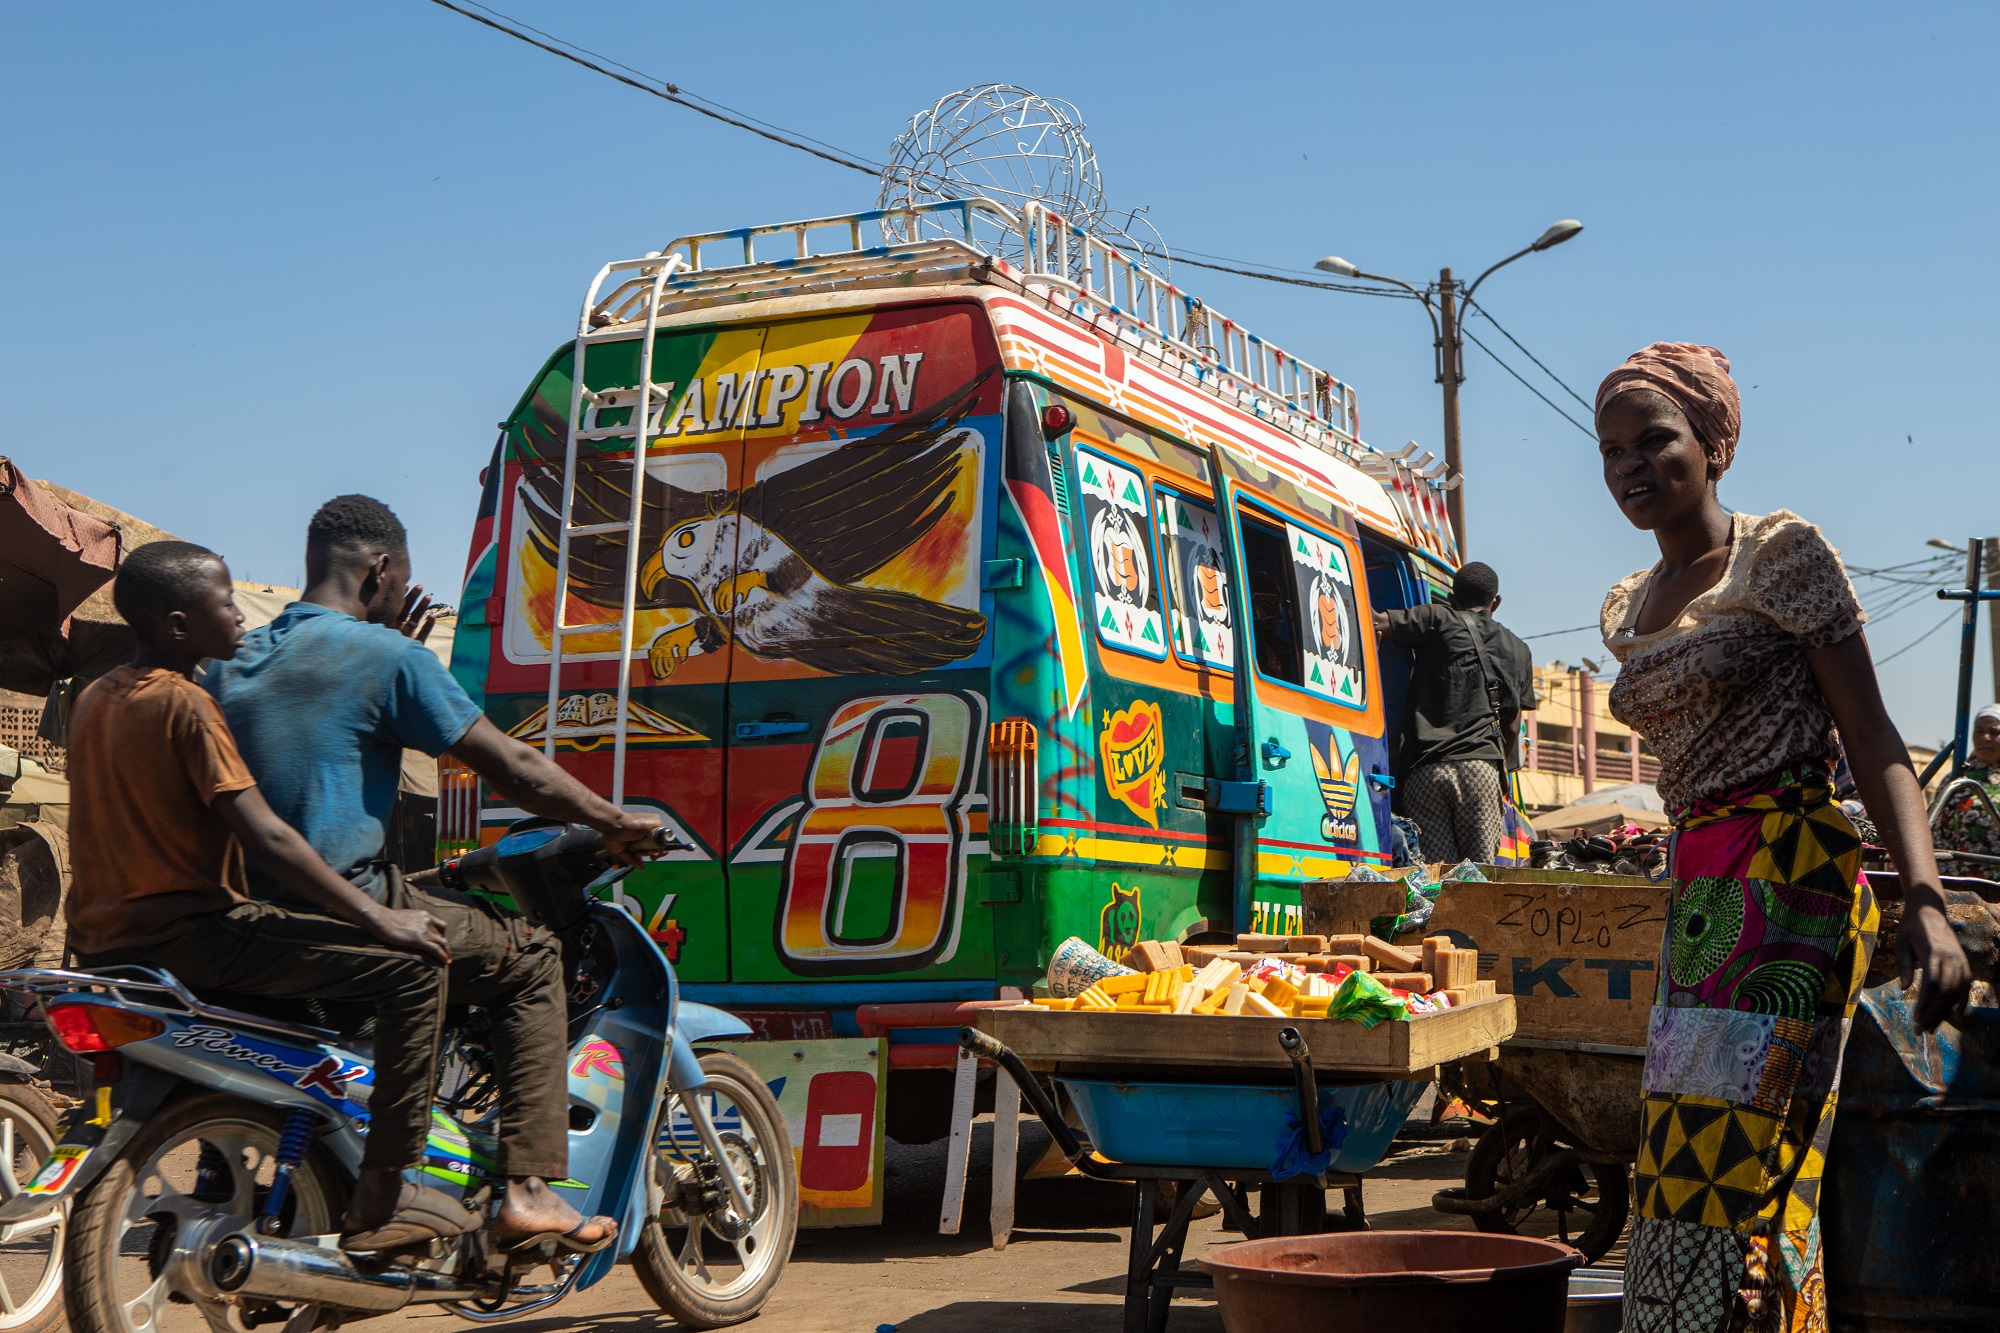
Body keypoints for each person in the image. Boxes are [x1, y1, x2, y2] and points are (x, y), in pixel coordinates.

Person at [1593, 342, 1970, 1332]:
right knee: (1677, 1168)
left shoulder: (1779, 555)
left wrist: (1923, 902)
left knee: (1752, 1169)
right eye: (1610, 450)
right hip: (1704, 892)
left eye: (1653, 440)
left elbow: (1872, 733)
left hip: (1791, 877)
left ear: (1712, 445)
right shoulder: (1628, 605)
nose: (1630, 465)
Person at [204, 495, 662, 1254]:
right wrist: (611, 821)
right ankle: (528, 1190)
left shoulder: (235, 660)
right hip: (350, 907)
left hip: (252, 922)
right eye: (402, 576)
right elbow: (510, 764)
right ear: (381, 571)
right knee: (530, 955)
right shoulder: (392, 659)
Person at [64, 541, 470, 1251]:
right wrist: (384, 917)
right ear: (179, 625)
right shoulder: (189, 704)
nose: (242, 615)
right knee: (413, 966)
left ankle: (232, 1176)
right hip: (194, 935)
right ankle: (390, 1188)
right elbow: (268, 838)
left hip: (106, 941)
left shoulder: (97, 695)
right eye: (225, 602)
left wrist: (376, 654)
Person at [1372, 561, 1533, 864]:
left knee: (1437, 875)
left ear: (1451, 598)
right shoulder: (1518, 649)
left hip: (1427, 770)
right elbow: (1512, 727)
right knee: (1476, 878)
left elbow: (1378, 623)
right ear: (1495, 602)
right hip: (1482, 770)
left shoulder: (1437, 618)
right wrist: (1495, 764)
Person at [1934, 703, 2000, 859]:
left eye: (1994, 732)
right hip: (1953, 873)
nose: (1986, 738)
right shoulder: (1955, 779)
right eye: (1979, 731)